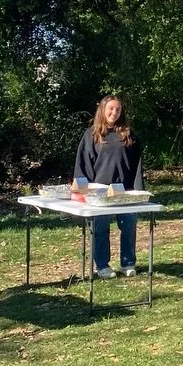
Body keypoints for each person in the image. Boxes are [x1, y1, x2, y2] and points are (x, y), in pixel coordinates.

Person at [75, 94, 144, 279]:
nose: (114, 113)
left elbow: (137, 164)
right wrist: (85, 190)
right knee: (100, 228)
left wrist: (138, 190)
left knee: (129, 225)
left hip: (125, 190)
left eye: (118, 109)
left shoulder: (128, 134)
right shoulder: (91, 135)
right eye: (111, 109)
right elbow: (83, 165)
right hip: (99, 191)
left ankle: (128, 263)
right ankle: (102, 265)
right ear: (103, 110)